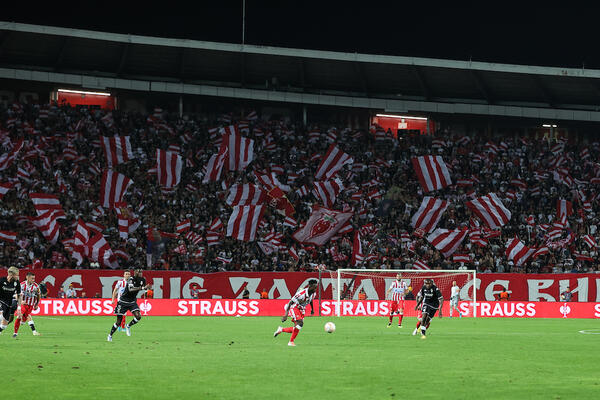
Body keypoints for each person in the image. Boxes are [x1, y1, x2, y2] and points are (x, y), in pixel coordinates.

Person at [108, 268, 151, 342]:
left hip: (132, 302)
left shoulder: (143, 279)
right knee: (119, 321)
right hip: (123, 302)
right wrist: (142, 288)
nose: (140, 273)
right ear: (135, 273)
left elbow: (144, 288)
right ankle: (110, 335)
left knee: (138, 316)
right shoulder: (131, 279)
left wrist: (147, 290)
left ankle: (128, 326)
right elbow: (131, 289)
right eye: (138, 272)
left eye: (141, 272)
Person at [273, 279, 318, 347]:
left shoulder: (314, 293)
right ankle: (291, 342)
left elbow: (310, 300)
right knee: (300, 323)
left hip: (302, 309)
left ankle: (281, 329)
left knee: (296, 327)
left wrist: (312, 309)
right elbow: (290, 303)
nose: (315, 289)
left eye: (316, 287)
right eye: (314, 287)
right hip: (295, 307)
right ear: (310, 287)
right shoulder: (301, 294)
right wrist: (286, 314)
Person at [13, 272, 41, 337]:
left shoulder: (36, 286)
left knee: (25, 319)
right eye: (32, 278)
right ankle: (15, 333)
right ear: (27, 278)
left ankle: (33, 331)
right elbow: (16, 294)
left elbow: (38, 295)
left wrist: (37, 304)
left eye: (34, 278)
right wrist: (20, 301)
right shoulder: (21, 285)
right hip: (23, 304)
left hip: (30, 305)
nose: (33, 280)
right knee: (19, 315)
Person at [0, 267, 21, 335]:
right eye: (17, 275)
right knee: (1, 316)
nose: (18, 276)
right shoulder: (1, 281)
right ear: (12, 275)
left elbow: (19, 295)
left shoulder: (17, 283)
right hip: (1, 301)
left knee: (4, 326)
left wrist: (19, 307)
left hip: (9, 304)